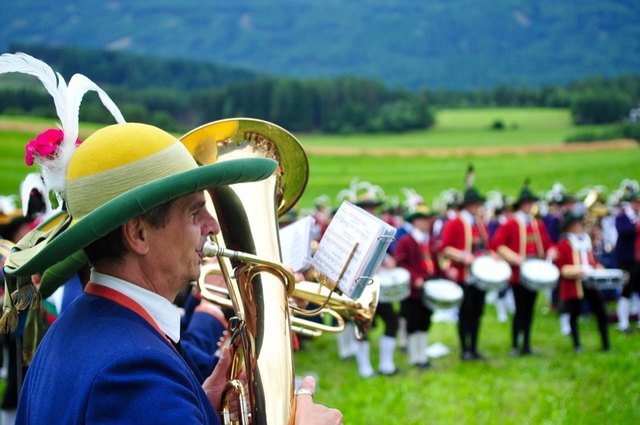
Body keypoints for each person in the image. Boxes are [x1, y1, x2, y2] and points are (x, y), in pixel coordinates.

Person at [5, 123, 341, 425]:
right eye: (195, 213)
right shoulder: (135, 376)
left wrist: (199, 406)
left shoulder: (79, 325)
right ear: (138, 234)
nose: (211, 226)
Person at [491, 183, 556, 356]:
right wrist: (515, 258)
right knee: (520, 310)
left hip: (536, 271)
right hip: (519, 274)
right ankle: (515, 344)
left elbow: (547, 243)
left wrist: (550, 251)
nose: (529, 206)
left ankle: (527, 343)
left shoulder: (537, 224)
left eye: (530, 203)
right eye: (526, 203)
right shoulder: (511, 224)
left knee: (530, 309)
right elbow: (498, 245)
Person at [440, 187, 490, 360]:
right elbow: (445, 247)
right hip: (465, 275)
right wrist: (462, 256)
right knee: (465, 313)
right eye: (475, 204)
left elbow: (484, 245)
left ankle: (474, 348)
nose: (477, 207)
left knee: (477, 312)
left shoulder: (479, 223)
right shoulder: (455, 223)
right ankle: (465, 349)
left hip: (480, 275)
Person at [554, 213, 610, 352]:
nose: (579, 227)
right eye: (576, 225)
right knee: (574, 314)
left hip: (590, 282)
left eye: (580, 224)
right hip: (574, 284)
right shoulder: (564, 243)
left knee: (601, 311)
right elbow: (562, 267)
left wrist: (597, 266)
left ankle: (606, 344)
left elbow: (591, 260)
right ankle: (577, 345)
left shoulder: (586, 240)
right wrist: (578, 270)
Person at [393, 205, 437, 369]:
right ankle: (414, 357)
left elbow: (436, 264)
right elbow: (401, 263)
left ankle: (422, 356)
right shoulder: (406, 241)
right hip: (412, 292)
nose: (427, 223)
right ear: (415, 222)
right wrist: (415, 278)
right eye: (423, 220)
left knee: (425, 321)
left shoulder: (430, 240)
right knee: (413, 322)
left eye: (428, 220)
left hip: (428, 288)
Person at [614, 191, 640, 333]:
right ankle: (623, 322)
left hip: (638, 259)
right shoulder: (623, 216)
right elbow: (624, 231)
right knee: (626, 289)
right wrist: (636, 225)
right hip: (627, 259)